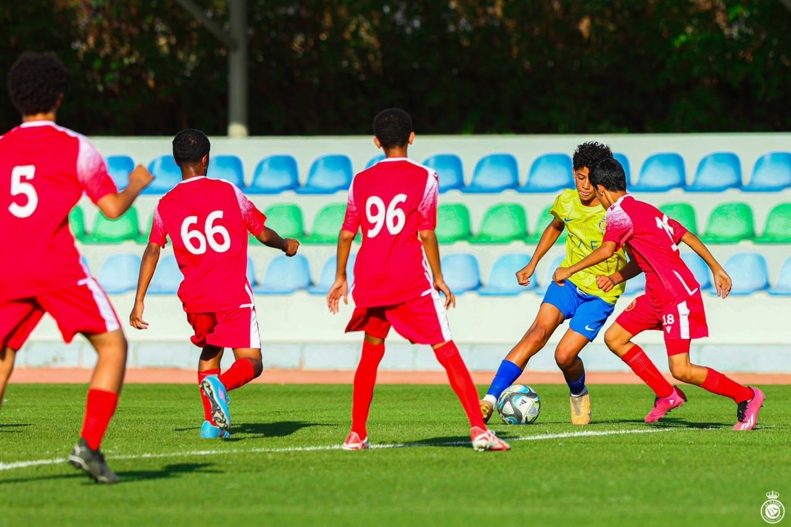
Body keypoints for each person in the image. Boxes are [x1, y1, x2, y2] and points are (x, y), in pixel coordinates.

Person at [0, 52, 155, 483]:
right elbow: (110, 210)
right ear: (60, 96)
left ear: (16, 98)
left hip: (5, 267)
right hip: (55, 266)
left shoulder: (1, 147)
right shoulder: (74, 146)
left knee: (3, 355)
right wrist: (137, 185)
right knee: (112, 346)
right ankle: (88, 445)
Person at [327, 108, 509, 451]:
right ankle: (478, 429)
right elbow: (426, 234)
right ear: (412, 137)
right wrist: (438, 277)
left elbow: (347, 234)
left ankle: (356, 432)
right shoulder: (426, 177)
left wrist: (339, 277)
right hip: (408, 278)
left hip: (370, 278)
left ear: (376, 142)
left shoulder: (360, 180)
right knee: (446, 349)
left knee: (371, 353)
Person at [552, 157, 765, 430]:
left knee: (681, 369)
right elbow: (682, 235)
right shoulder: (644, 209)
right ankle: (667, 394)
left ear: (602, 190)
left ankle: (747, 396)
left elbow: (607, 251)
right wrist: (715, 267)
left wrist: (569, 270)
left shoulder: (617, 214)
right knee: (615, 338)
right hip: (655, 296)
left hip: (676, 297)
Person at [130, 129, 299, 439]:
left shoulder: (165, 204)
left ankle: (213, 425)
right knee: (252, 362)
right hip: (231, 293)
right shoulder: (228, 191)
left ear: (176, 161)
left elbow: (153, 249)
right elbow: (261, 232)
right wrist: (286, 244)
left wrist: (139, 299)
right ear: (206, 159)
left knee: (211, 352)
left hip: (195, 298)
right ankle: (221, 387)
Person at [480, 142, 631, 426]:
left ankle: (578, 393)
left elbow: (636, 255)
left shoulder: (617, 211)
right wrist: (532, 262)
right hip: (569, 284)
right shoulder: (566, 200)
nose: (585, 186)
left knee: (564, 356)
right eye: (580, 177)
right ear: (573, 173)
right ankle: (488, 400)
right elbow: (556, 226)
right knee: (536, 333)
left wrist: (617, 278)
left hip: (600, 295)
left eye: (591, 180)